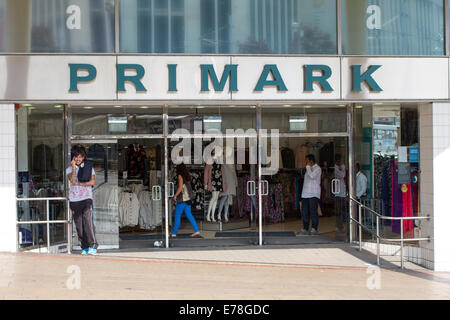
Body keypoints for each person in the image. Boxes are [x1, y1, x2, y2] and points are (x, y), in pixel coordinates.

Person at [67, 144, 98, 255]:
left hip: (86, 199)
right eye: (76, 156)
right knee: (79, 226)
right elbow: (73, 180)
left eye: (80, 156)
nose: (78, 159)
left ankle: (93, 245)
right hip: (74, 200)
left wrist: (80, 184)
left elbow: (92, 182)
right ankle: (84, 247)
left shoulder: (89, 168)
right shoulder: (69, 169)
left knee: (88, 223)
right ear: (73, 157)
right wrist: (74, 168)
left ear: (84, 157)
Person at [171, 163, 200, 238]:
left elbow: (180, 187)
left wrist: (175, 195)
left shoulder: (180, 176)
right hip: (188, 199)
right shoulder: (187, 176)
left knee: (177, 215)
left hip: (182, 199)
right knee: (189, 215)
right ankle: (196, 230)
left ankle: (174, 233)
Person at [299, 154, 322, 235]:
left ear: (311, 161)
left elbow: (312, 176)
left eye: (307, 160)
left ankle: (314, 228)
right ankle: (305, 228)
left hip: (313, 193)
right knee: (305, 211)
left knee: (313, 211)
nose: (305, 162)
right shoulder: (307, 169)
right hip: (305, 194)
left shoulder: (318, 168)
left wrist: (308, 167)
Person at [334, 154, 347, 233]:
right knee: (338, 210)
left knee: (342, 209)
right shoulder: (335, 168)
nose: (342, 162)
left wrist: (342, 166)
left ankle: (341, 225)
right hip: (337, 192)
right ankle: (339, 225)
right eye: (341, 161)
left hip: (342, 191)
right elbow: (342, 175)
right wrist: (342, 166)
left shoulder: (341, 167)